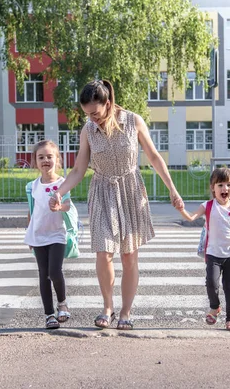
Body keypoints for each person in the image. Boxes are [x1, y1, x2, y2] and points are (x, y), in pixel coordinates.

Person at [49, 79, 183, 330]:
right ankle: (107, 307)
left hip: (130, 189)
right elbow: (79, 169)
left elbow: (154, 157)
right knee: (103, 252)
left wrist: (172, 190)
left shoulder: (133, 121)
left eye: (96, 113)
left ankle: (126, 311)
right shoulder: (88, 130)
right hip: (102, 191)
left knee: (129, 255)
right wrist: (59, 192)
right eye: (87, 114)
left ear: (108, 104)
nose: (92, 118)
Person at [177, 167, 230, 331]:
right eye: (220, 185)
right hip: (213, 253)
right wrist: (181, 209)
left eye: (228, 184)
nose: (224, 188)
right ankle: (215, 306)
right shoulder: (208, 206)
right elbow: (191, 217)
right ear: (213, 187)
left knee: (229, 286)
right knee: (211, 282)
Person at [24, 140, 72, 329]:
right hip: (38, 235)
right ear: (35, 162)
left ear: (57, 159)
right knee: (43, 275)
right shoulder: (32, 186)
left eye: (49, 157)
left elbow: (68, 205)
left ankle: (62, 303)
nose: (45, 160)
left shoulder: (62, 183)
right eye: (41, 157)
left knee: (54, 271)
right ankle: (49, 315)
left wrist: (60, 206)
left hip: (57, 234)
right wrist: (29, 234)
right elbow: (31, 211)